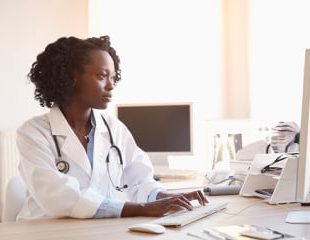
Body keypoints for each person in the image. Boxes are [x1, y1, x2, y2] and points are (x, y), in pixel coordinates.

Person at [16, 35, 208, 220]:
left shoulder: (114, 129)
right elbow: (58, 197)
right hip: (45, 231)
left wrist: (164, 197)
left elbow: (140, 179)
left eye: (112, 77)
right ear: (73, 76)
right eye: (102, 76)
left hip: (98, 231)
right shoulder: (33, 132)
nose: (111, 86)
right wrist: (142, 209)